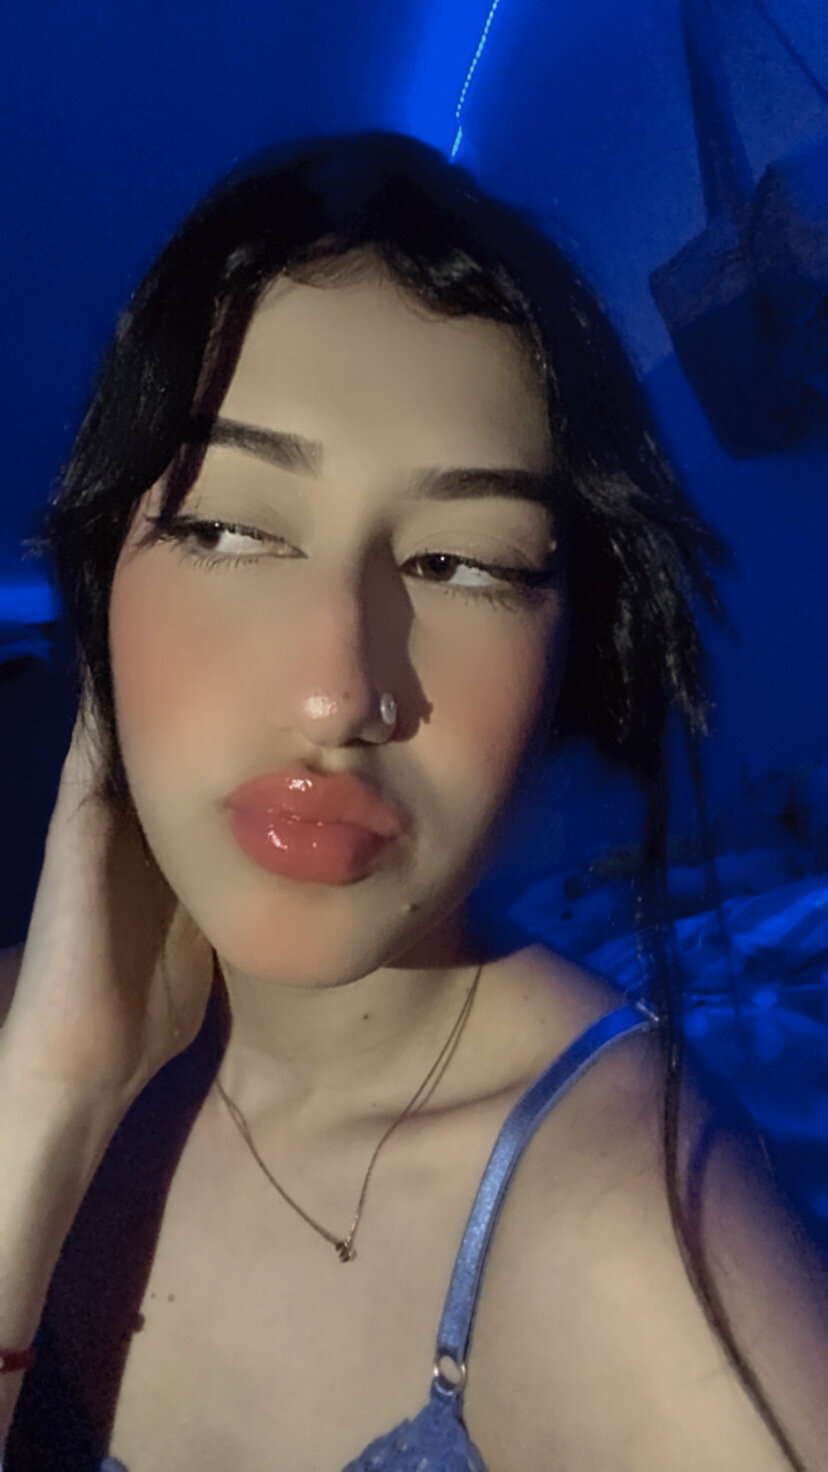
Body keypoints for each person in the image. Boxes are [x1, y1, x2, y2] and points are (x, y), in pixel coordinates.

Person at [0, 129, 824, 1472]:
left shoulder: (633, 1245)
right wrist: (47, 1103)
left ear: (577, 656)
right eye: (228, 530)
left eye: (461, 562)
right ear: (99, 588)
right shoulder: (21, 1030)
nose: (339, 691)